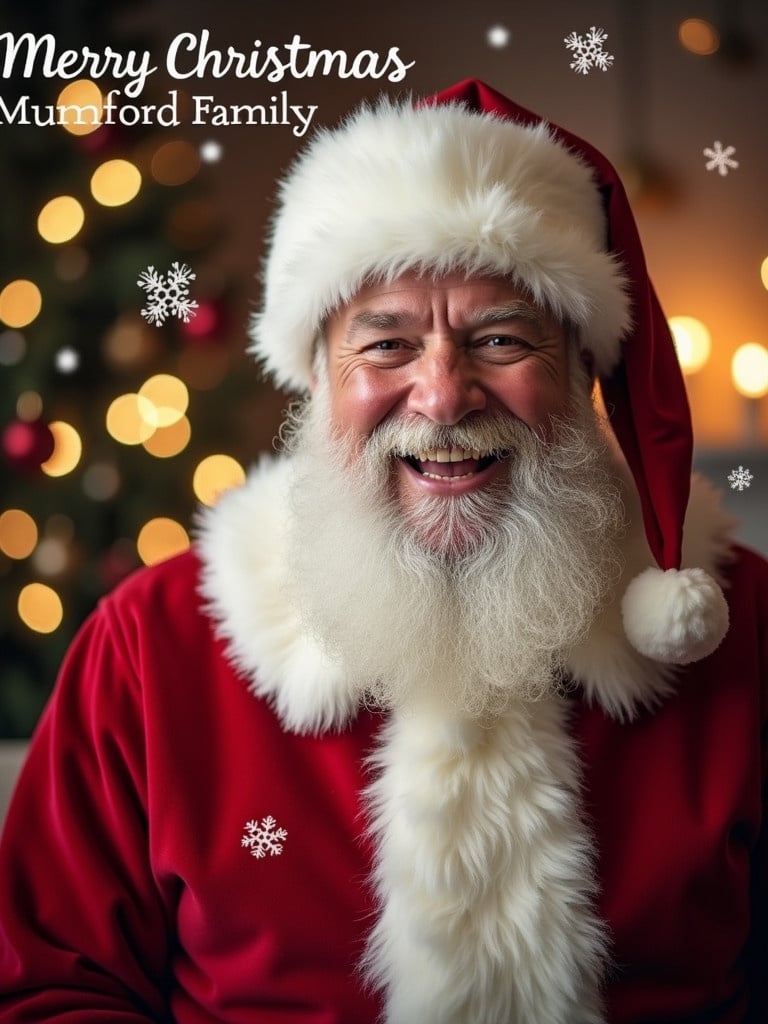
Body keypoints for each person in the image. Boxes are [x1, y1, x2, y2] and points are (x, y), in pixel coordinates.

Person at [0, 78, 765, 1024]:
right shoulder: (149, 648)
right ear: (319, 375)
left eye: (499, 338)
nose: (443, 397)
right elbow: (50, 990)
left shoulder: (745, 628)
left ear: (581, 371)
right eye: (388, 345)